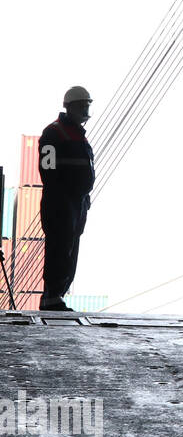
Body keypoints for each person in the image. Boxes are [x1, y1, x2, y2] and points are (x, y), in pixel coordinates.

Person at [38, 86, 95, 312]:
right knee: (59, 248)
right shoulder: (54, 132)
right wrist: (62, 197)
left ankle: (58, 295)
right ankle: (51, 296)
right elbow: (47, 170)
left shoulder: (78, 135)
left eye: (87, 105)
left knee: (70, 249)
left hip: (77, 203)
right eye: (82, 105)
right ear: (69, 106)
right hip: (60, 203)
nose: (85, 109)